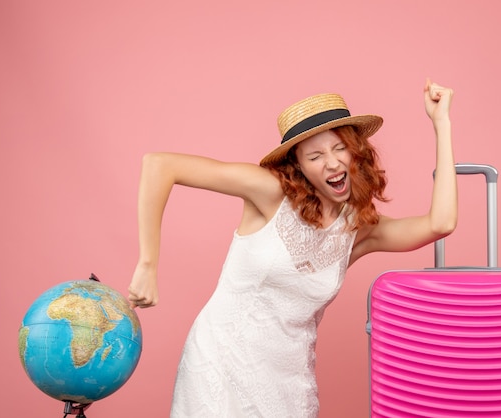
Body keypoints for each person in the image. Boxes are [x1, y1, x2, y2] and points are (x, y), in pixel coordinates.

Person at [128, 79, 457, 417]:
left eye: (339, 148)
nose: (331, 163)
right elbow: (160, 165)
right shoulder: (269, 193)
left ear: (356, 151)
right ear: (297, 165)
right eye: (315, 155)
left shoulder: (357, 229)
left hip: (289, 383)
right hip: (221, 365)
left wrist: (441, 124)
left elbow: (440, 223)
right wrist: (148, 264)